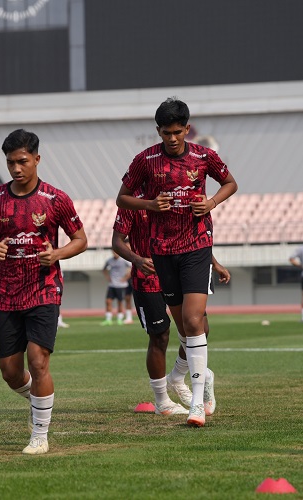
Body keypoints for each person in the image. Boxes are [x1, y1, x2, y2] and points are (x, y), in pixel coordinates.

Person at [116, 98, 238, 427]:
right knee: (184, 329)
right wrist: (150, 204)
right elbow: (122, 198)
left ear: (187, 128)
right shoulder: (145, 160)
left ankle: (197, 403)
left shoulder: (203, 156)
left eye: (177, 132)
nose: (172, 138)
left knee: (195, 320)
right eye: (165, 132)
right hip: (163, 251)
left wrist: (210, 202)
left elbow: (231, 183)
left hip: (197, 245)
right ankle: (181, 379)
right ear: (158, 131)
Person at [0, 129, 87, 455]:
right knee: (10, 371)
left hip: (44, 289)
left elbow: (80, 239)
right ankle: (39, 400)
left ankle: (39, 435)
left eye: (22, 161)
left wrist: (57, 254)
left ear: (36, 159)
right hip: (8, 294)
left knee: (38, 363)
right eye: (10, 162)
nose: (16, 169)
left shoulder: (55, 199)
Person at [112, 188, 231, 416]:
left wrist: (214, 263)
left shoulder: (183, 192)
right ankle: (162, 401)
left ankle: (179, 376)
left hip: (187, 268)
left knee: (200, 328)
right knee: (160, 335)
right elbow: (116, 241)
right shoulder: (134, 200)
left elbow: (196, 235)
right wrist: (136, 260)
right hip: (149, 276)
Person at [101, 250, 131, 326]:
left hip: (121, 285)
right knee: (108, 301)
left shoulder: (123, 260)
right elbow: (104, 269)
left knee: (120, 302)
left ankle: (119, 319)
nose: (115, 253)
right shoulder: (109, 260)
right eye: (114, 252)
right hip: (112, 285)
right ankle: (108, 319)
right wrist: (107, 277)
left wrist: (126, 277)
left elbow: (132, 268)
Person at [289, 245, 303, 322]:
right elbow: (291, 259)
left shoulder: (300, 249)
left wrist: (300, 265)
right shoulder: (301, 249)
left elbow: (291, 259)